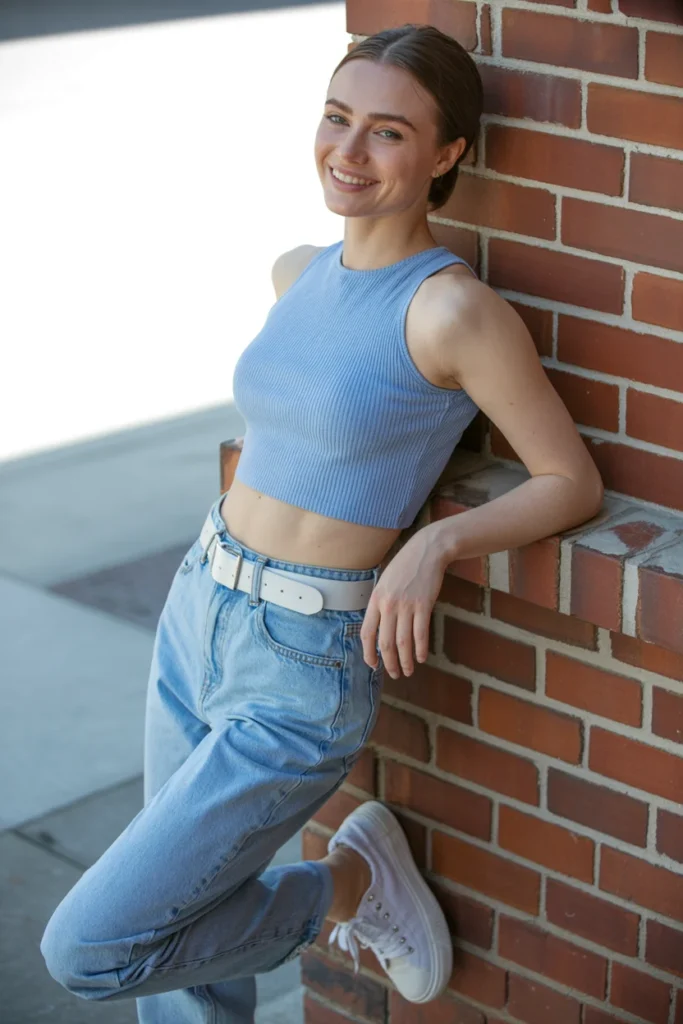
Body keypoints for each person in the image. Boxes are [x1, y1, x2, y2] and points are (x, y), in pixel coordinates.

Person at [40, 22, 604, 1023]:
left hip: (298, 664)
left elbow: (568, 479)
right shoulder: (294, 273)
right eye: (337, 117)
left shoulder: (447, 311)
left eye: (387, 133)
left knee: (92, 948)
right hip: (198, 605)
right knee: (181, 956)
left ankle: (347, 885)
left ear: (446, 156)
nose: (346, 152)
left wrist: (433, 541)